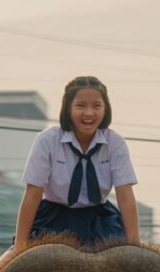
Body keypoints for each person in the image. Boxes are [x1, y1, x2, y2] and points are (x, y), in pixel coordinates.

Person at [13, 76, 139, 250]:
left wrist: (135, 247)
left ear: (105, 109)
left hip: (101, 219)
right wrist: (20, 246)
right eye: (80, 106)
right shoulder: (47, 140)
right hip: (53, 217)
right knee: (9, 264)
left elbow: (125, 197)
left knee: (134, 265)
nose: (89, 113)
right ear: (68, 109)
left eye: (96, 106)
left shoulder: (115, 143)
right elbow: (32, 194)